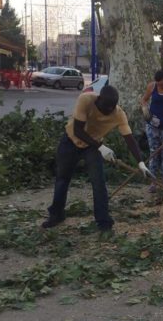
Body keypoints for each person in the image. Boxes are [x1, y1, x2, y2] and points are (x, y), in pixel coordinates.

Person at [41, 85, 152, 234]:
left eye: (111, 108)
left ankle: (104, 222)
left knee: (99, 183)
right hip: (71, 141)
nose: (108, 111)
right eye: (105, 108)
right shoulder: (85, 99)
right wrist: (101, 147)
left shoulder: (119, 114)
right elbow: (78, 131)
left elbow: (130, 140)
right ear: (98, 100)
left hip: (92, 147)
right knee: (62, 178)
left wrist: (141, 163)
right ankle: (56, 215)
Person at [140, 69, 163, 193]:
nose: (160, 85)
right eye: (158, 83)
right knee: (153, 153)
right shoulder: (152, 86)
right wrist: (145, 111)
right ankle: (153, 182)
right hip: (152, 126)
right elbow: (144, 100)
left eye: (162, 83)